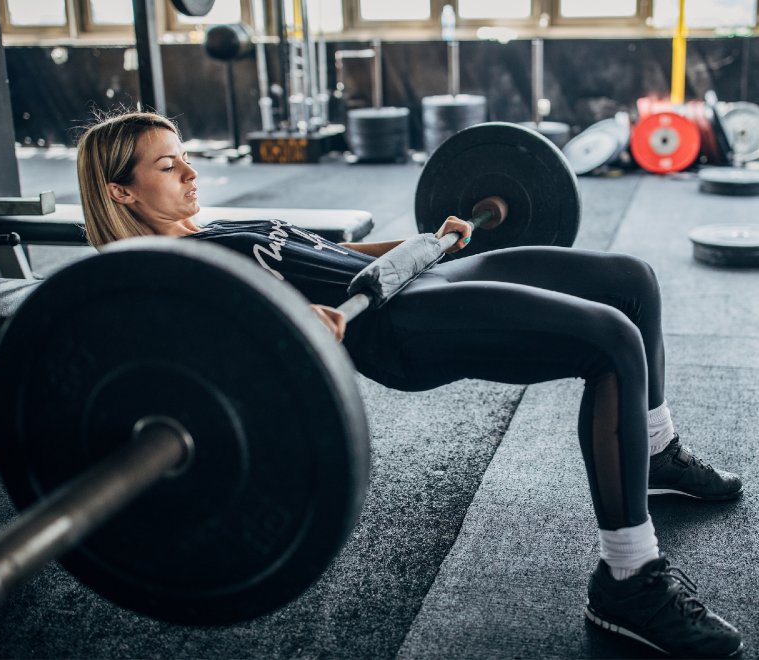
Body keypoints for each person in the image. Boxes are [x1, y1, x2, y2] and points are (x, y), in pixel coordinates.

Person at [77, 110, 744, 658]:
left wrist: (422, 241)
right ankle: (628, 578)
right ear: (122, 193)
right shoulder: (175, 270)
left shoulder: (216, 226)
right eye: (167, 166)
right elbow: (201, 348)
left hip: (416, 278)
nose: (190, 171)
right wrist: (282, 316)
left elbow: (325, 257)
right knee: (609, 341)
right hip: (398, 329)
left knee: (631, 280)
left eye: (183, 154)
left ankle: (652, 448)